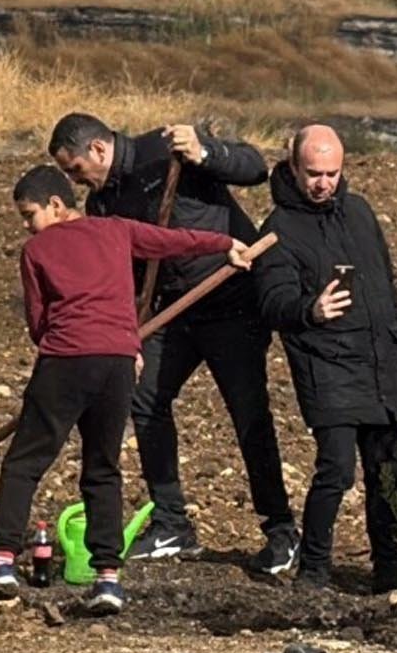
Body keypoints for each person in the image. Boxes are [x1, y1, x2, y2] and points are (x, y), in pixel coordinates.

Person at [0, 165, 263, 615]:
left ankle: (1, 561)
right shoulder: (116, 231)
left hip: (65, 361)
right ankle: (107, 578)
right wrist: (226, 246)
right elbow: (175, 242)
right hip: (119, 363)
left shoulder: (37, 250)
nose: (27, 225)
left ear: (57, 205)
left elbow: (39, 324)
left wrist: (64, 348)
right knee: (102, 469)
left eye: (29, 214)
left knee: (25, 462)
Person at [49, 111, 299, 572]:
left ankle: (281, 529)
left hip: (229, 298)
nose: (74, 180)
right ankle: (172, 523)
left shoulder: (165, 151)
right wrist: (128, 333)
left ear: (98, 150)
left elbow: (254, 168)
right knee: (145, 401)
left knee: (248, 413)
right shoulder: (103, 205)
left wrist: (206, 151)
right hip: (171, 311)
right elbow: (123, 274)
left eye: (75, 169)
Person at [253, 124, 397, 596]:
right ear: (293, 168)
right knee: (337, 471)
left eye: (332, 173)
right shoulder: (279, 230)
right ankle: (314, 571)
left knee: (388, 473)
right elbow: (270, 301)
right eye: (313, 174)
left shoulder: (360, 212)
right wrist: (310, 309)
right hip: (326, 366)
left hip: (379, 362)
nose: (323, 182)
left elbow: (385, 283)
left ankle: (389, 571)